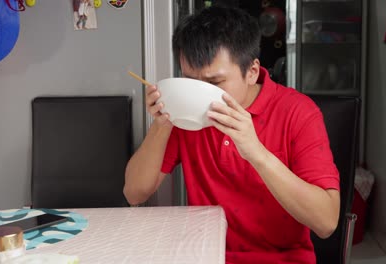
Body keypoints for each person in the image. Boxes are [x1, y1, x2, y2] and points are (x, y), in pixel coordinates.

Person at [124, 6, 340, 264]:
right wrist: (161, 124)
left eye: (214, 83)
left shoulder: (298, 112)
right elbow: (134, 193)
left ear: (251, 71)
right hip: (203, 256)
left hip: (282, 259)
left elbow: (326, 222)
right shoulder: (185, 116)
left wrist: (256, 151)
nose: (200, 93)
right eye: (191, 80)